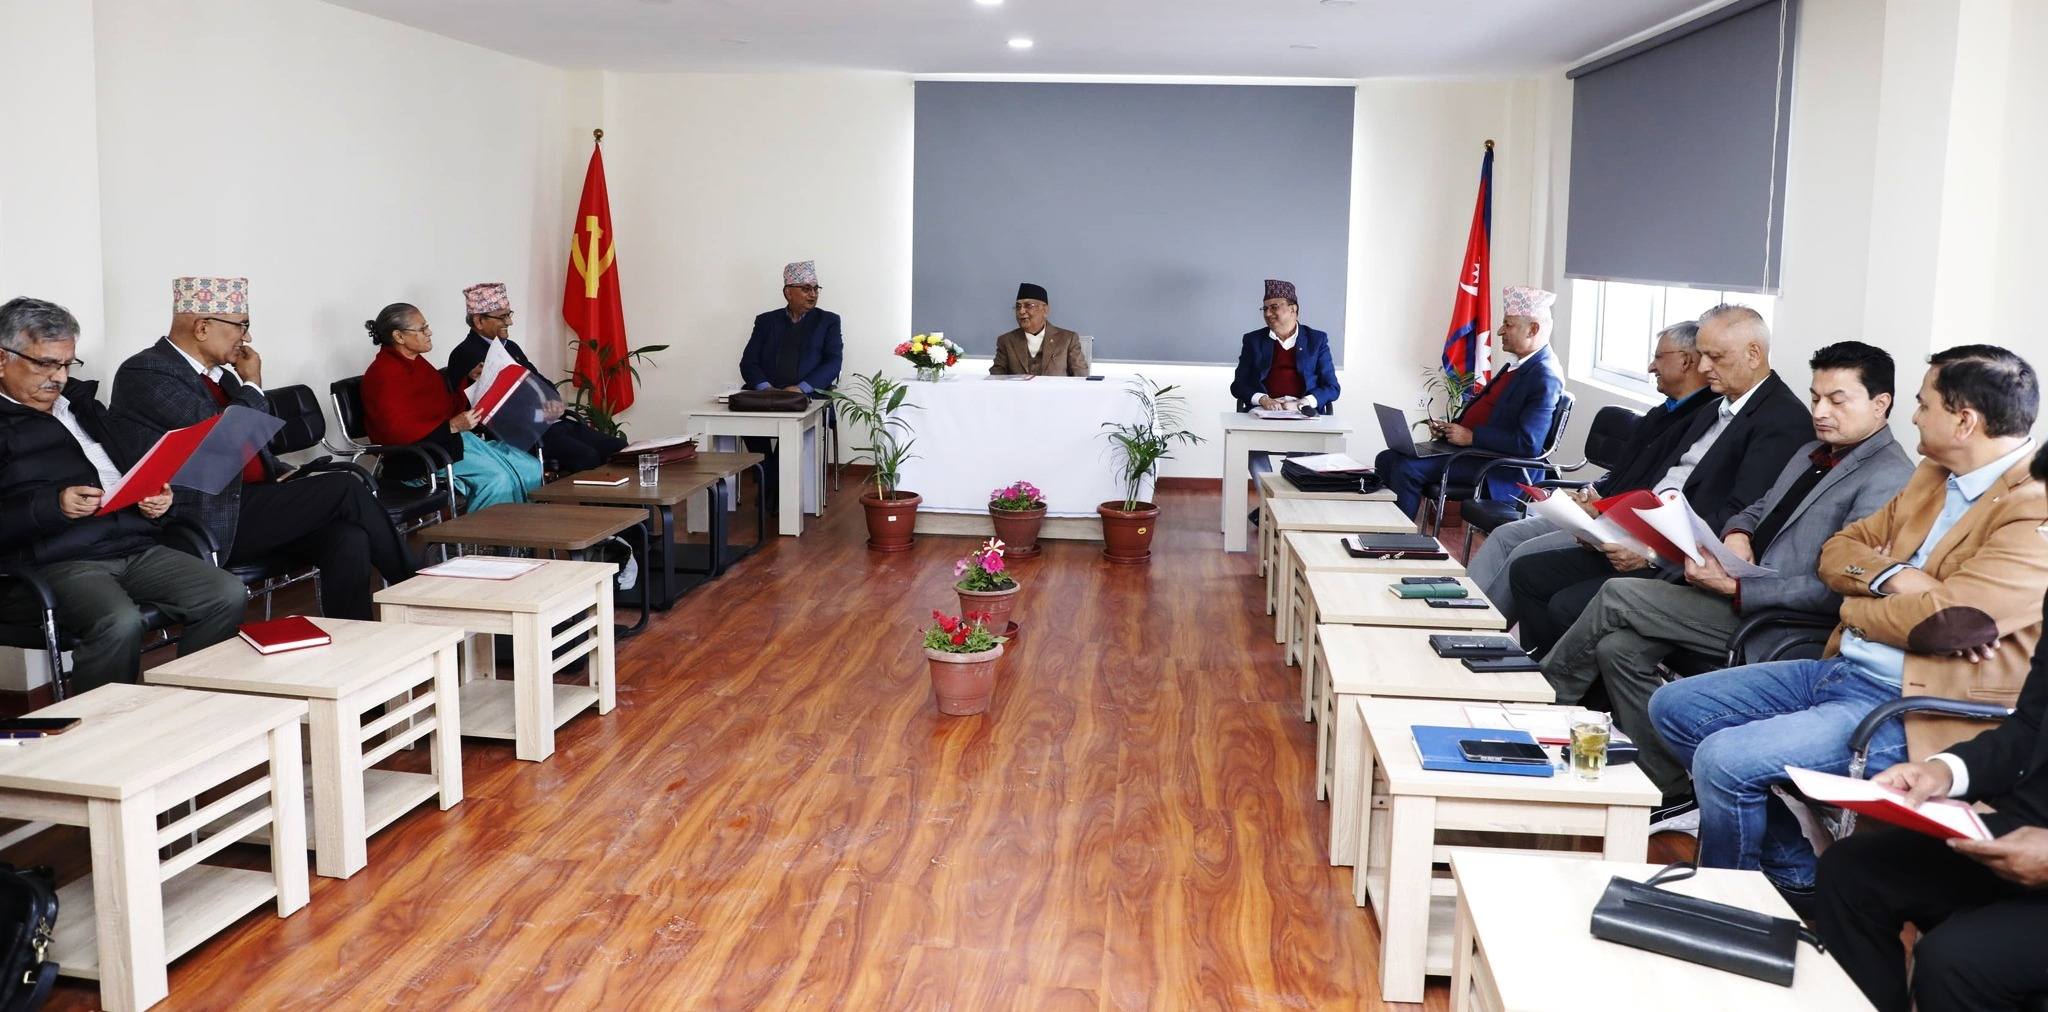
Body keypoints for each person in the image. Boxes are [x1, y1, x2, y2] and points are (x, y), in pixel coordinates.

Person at [1649, 344, 2047, 905]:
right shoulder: (1934, 474)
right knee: (1674, 707)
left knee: (1724, 759)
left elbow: (1951, 623)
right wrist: (1896, 578)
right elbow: (1837, 553)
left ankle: (1725, 909)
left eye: (1923, 404)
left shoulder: (2034, 506)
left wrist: (1859, 603)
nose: (1913, 417)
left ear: (1964, 421)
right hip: (1841, 666)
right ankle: (1792, 870)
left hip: (1911, 705)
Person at [1540, 342, 1914, 825]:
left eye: (1837, 400)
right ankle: (1672, 784)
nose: (1820, 411)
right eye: (1815, 397)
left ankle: (1544, 706)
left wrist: (1738, 589)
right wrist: (1738, 533)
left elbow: (1839, 589)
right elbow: (1758, 508)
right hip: (1740, 589)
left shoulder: (1890, 478)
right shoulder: (1812, 452)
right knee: (1619, 649)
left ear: (1880, 403)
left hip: (1781, 623)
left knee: (1618, 594)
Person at [1506, 304, 1810, 654]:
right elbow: (1661, 477)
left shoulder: (1782, 422)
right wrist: (1608, 521)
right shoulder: (1717, 405)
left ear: (1753, 354)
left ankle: (1561, 682)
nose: (1703, 367)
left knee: (1566, 606)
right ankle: (1536, 671)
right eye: (1702, 355)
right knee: (1527, 573)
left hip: (1677, 561)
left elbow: (1736, 516)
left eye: (1714, 357)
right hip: (1639, 534)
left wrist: (1650, 553)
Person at [1814, 562, 2048, 1012]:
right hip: (2025, 832)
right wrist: (1944, 771)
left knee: (1957, 960)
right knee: (1851, 872)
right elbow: (2031, 727)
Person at [110, 278, 415, 622]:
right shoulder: (146, 372)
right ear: (202, 327)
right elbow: (223, 437)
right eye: (242, 326)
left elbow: (252, 444)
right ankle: (417, 591)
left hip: (250, 503)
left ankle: (353, 637)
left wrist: (279, 470)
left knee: (348, 536)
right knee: (344, 487)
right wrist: (253, 383)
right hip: (202, 517)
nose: (248, 337)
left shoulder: (222, 377)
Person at [0, 296, 246, 692]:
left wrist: (154, 499)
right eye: (45, 364)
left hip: (133, 543)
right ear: (2, 359)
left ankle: (186, 703)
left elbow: (129, 469)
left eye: (67, 364)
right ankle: (101, 726)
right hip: (56, 561)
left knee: (226, 593)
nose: (58, 377)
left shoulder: (81, 405)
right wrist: (53, 505)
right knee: (118, 623)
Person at [1467, 320, 1715, 619]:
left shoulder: (1703, 422)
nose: (1651, 367)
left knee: (1522, 555)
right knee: (1504, 536)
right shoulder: (1662, 411)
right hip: (1599, 513)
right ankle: (1459, 613)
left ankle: (1481, 629)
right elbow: (1623, 473)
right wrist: (1591, 491)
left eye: (1659, 358)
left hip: (1624, 529)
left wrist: (1603, 507)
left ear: (1686, 361)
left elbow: (1659, 491)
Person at [1373, 285, 1563, 519]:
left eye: (1508, 324)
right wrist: (1451, 430)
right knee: (1387, 458)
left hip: (1496, 466)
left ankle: (1398, 536)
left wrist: (1471, 437)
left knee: (1406, 468)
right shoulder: (1518, 365)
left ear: (1533, 329)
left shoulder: (1545, 376)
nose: (1500, 331)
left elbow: (1528, 444)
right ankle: (1380, 526)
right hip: (1473, 451)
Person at [361, 302, 541, 512]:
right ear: (399, 336)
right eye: (422, 329)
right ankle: (488, 534)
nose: (429, 332)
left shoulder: (418, 364)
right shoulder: (382, 375)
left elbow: (445, 407)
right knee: (497, 480)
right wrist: (451, 426)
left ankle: (523, 529)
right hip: (420, 457)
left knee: (531, 468)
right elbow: (396, 431)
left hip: (453, 442)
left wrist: (472, 380)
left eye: (427, 327)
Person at [443, 282, 625, 474]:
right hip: (524, 434)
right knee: (588, 457)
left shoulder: (510, 346)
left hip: (552, 422)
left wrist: (553, 399)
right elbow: (468, 408)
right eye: (502, 317)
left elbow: (537, 379)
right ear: (479, 321)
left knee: (618, 448)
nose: (509, 322)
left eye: (509, 314)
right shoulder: (465, 354)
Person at [738, 260, 844, 509]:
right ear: (788, 292)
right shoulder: (766, 321)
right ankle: (771, 481)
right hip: (768, 394)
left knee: (790, 428)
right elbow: (748, 362)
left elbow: (833, 362)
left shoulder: (828, 321)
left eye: (816, 288)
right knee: (747, 421)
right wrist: (766, 388)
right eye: (806, 289)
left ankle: (771, 489)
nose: (813, 294)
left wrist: (801, 388)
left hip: (807, 395)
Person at [1230, 279, 1338, 415]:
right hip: (1263, 411)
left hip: (1304, 412)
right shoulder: (1253, 341)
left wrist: (1302, 403)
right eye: (1265, 309)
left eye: (1274, 307)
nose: (1267, 314)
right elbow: (1238, 385)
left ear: (1293, 309)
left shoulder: (1316, 340)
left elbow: (1332, 387)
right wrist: (1263, 399)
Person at [990, 282, 1087, 377]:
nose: (1021, 311)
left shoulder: (1068, 339)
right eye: (1018, 306)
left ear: (1045, 310)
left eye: (1028, 306)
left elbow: (1081, 377)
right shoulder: (1006, 341)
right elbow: (996, 377)